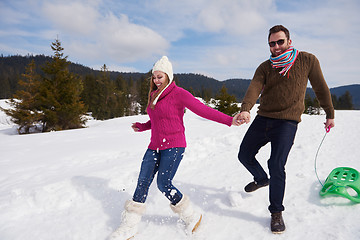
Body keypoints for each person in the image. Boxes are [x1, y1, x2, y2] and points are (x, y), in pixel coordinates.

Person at [110, 56, 241, 239]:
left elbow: (203, 110)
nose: (156, 81)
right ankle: (130, 226)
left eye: (160, 77)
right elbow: (158, 119)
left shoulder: (179, 93)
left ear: (168, 76)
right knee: (142, 181)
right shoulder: (153, 94)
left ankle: (191, 216)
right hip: (154, 145)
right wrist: (143, 126)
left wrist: (229, 120)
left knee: (164, 184)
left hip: (174, 145)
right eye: (154, 77)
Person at [236, 25, 335, 234]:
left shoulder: (308, 60)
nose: (276, 47)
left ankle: (276, 212)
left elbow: (320, 87)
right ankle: (262, 179)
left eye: (280, 42)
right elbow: (254, 87)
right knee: (244, 154)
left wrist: (330, 114)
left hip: (287, 122)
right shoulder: (265, 67)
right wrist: (246, 109)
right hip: (263, 118)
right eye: (272, 43)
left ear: (289, 41)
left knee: (276, 164)